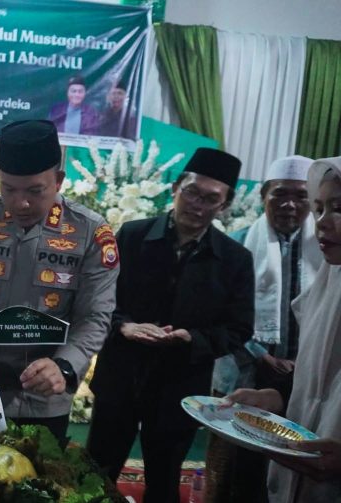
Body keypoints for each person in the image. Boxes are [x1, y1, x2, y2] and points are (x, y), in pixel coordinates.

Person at [87, 147, 255, 503]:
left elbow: (239, 328)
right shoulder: (131, 236)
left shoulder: (234, 259)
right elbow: (98, 300)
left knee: (164, 484)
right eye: (193, 192)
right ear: (176, 187)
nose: (198, 204)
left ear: (224, 206)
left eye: (211, 199)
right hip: (121, 377)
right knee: (96, 474)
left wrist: (191, 339)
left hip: (179, 388)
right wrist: (124, 327)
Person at [0, 119, 119, 445]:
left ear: (59, 180)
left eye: (35, 191)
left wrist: (64, 366)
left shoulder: (90, 232)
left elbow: (94, 315)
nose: (20, 203)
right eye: (9, 189)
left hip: (45, 397)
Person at [206, 155, 322, 502]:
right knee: (231, 470)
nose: (290, 205)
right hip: (242, 374)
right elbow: (219, 315)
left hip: (305, 377)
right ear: (262, 196)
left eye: (301, 196)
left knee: (292, 464)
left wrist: (305, 362)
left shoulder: (328, 250)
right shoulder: (236, 245)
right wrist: (260, 356)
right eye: (279, 194)